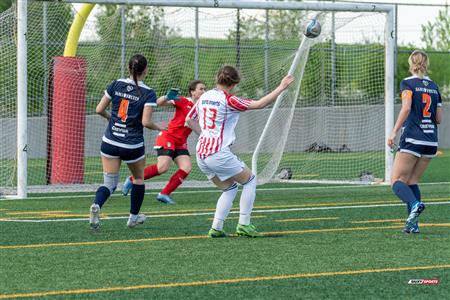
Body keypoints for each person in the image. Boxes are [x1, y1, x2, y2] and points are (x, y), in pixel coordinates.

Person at [186, 65, 294, 238]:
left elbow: (189, 119)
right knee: (250, 180)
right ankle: (244, 224)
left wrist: (206, 134)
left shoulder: (205, 96)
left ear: (217, 79)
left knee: (229, 188)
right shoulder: (229, 100)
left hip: (201, 154)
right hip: (218, 153)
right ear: (234, 83)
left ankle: (216, 228)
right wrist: (281, 87)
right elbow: (259, 104)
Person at [89, 54, 165, 229]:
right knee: (138, 179)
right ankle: (133, 217)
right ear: (146, 70)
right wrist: (159, 127)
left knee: (109, 183)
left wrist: (111, 120)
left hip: (110, 141)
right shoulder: (148, 93)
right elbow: (146, 122)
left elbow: (99, 109)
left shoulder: (116, 84)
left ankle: (97, 206)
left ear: (129, 68)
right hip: (132, 145)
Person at [122, 80, 206, 204]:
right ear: (192, 92)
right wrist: (166, 97)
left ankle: (164, 193)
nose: (204, 91)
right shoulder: (183, 101)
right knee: (162, 168)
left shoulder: (202, 107)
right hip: (168, 137)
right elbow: (159, 103)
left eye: (205, 89)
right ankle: (131, 178)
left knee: (186, 167)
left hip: (181, 142)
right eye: (201, 89)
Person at [387, 50, 443, 234]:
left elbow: (406, 108)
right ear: (426, 63)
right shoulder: (434, 87)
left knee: (396, 181)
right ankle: (413, 225)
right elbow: (439, 118)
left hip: (412, 137)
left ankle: (414, 204)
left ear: (411, 63)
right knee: (411, 181)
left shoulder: (407, 83)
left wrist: (394, 132)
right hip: (431, 140)